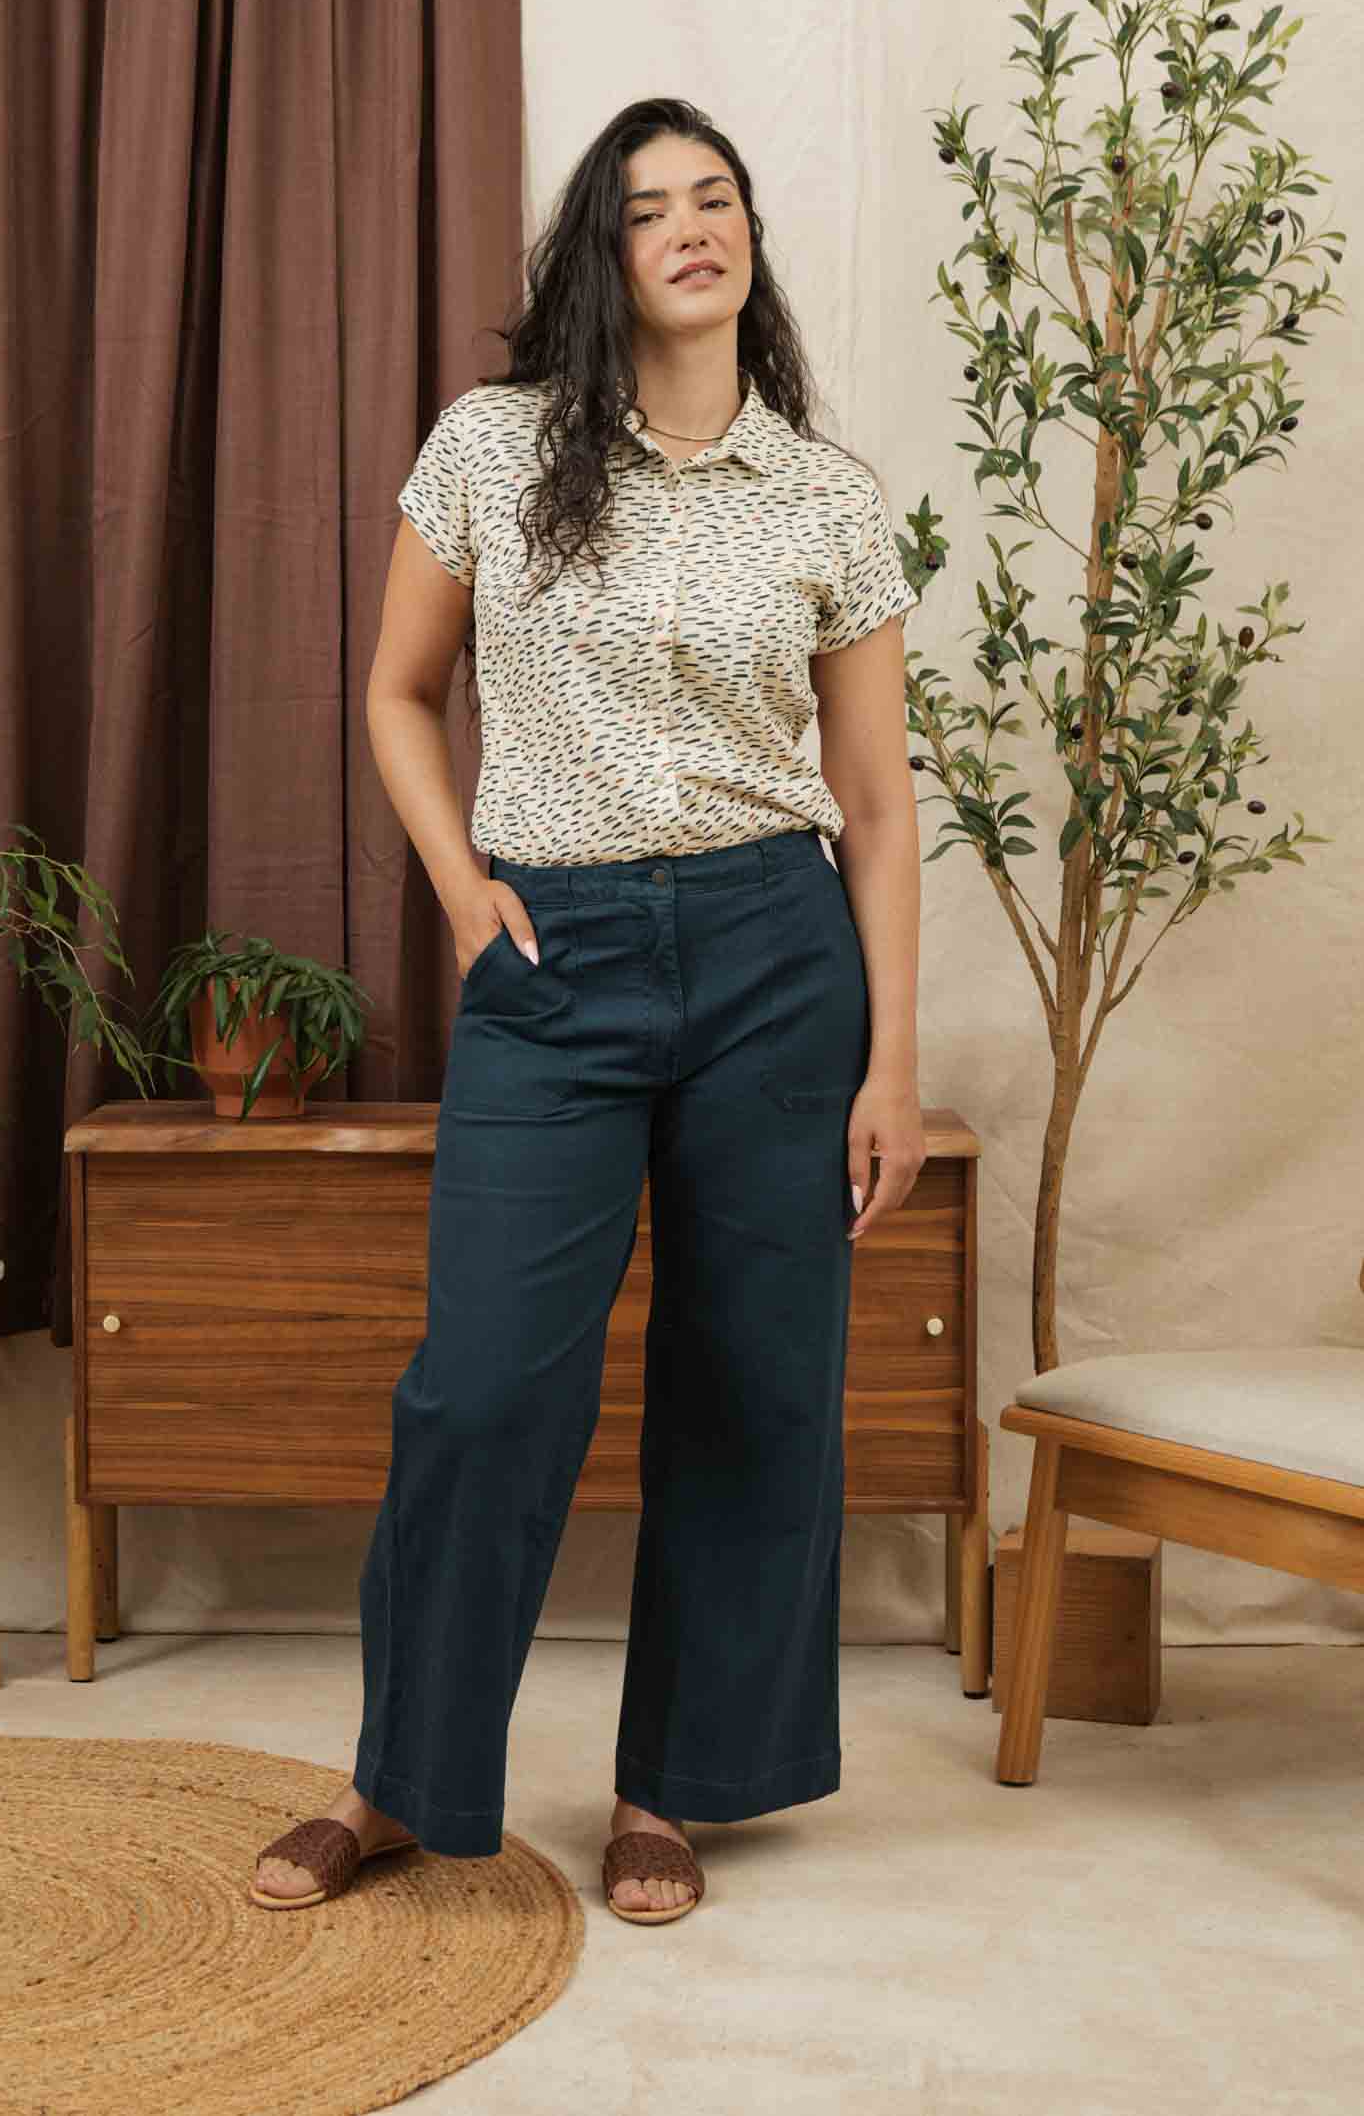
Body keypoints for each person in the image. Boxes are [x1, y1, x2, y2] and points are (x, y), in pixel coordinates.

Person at [250, 95, 928, 1926]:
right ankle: (402, 1782)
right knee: (481, 1385)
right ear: (601, 258)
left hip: (779, 960)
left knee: (754, 1387)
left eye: (719, 197)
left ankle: (673, 1790)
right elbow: (398, 692)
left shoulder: (826, 499)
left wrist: (896, 1062)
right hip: (555, 963)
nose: (692, 226)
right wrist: (466, 894)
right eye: (649, 209)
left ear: (753, 239)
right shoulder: (494, 450)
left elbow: (875, 804)